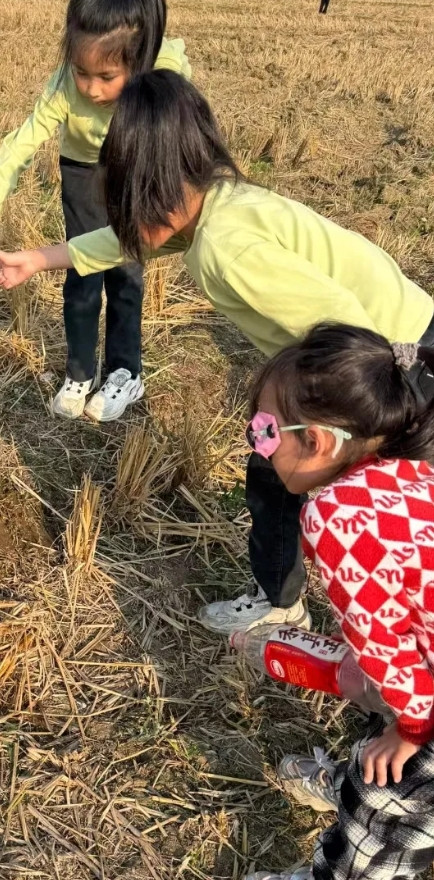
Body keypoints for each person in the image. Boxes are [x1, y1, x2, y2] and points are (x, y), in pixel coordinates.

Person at [0, 70, 434, 636]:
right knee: (274, 464)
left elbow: (354, 332)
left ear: (153, 197)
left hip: (389, 370)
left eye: (124, 206)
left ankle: (387, 653)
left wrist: (353, 438)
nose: (122, 223)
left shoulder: (227, 250)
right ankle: (284, 597)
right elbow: (127, 241)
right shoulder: (211, 203)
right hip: (390, 344)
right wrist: (41, 259)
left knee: (376, 514)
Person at [240, 323, 434, 880]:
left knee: (384, 809)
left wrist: (413, 728)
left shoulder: (336, 517)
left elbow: (387, 647)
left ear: (317, 440)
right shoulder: (406, 473)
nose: (258, 444)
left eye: (265, 431)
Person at [0, 0, 191, 423]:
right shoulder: (65, 85)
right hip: (81, 171)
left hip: (134, 171)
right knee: (80, 270)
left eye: (107, 77)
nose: (91, 89)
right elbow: (18, 146)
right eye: (82, 72)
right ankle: (80, 372)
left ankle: (125, 372)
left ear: (139, 60)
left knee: (125, 270)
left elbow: (184, 141)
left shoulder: (161, 74)